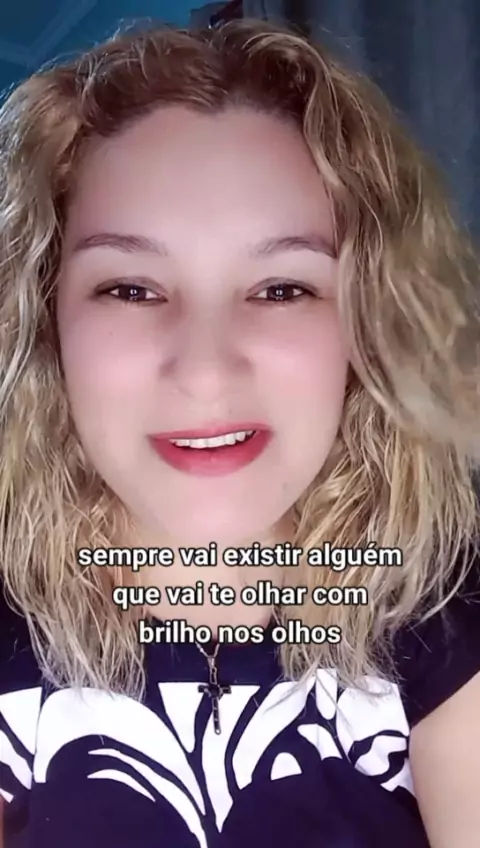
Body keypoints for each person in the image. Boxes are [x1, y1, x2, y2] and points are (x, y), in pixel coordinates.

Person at [0, 15, 479, 848]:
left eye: (282, 289)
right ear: (47, 316)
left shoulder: (441, 606)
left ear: (372, 319)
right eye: (131, 289)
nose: (206, 371)